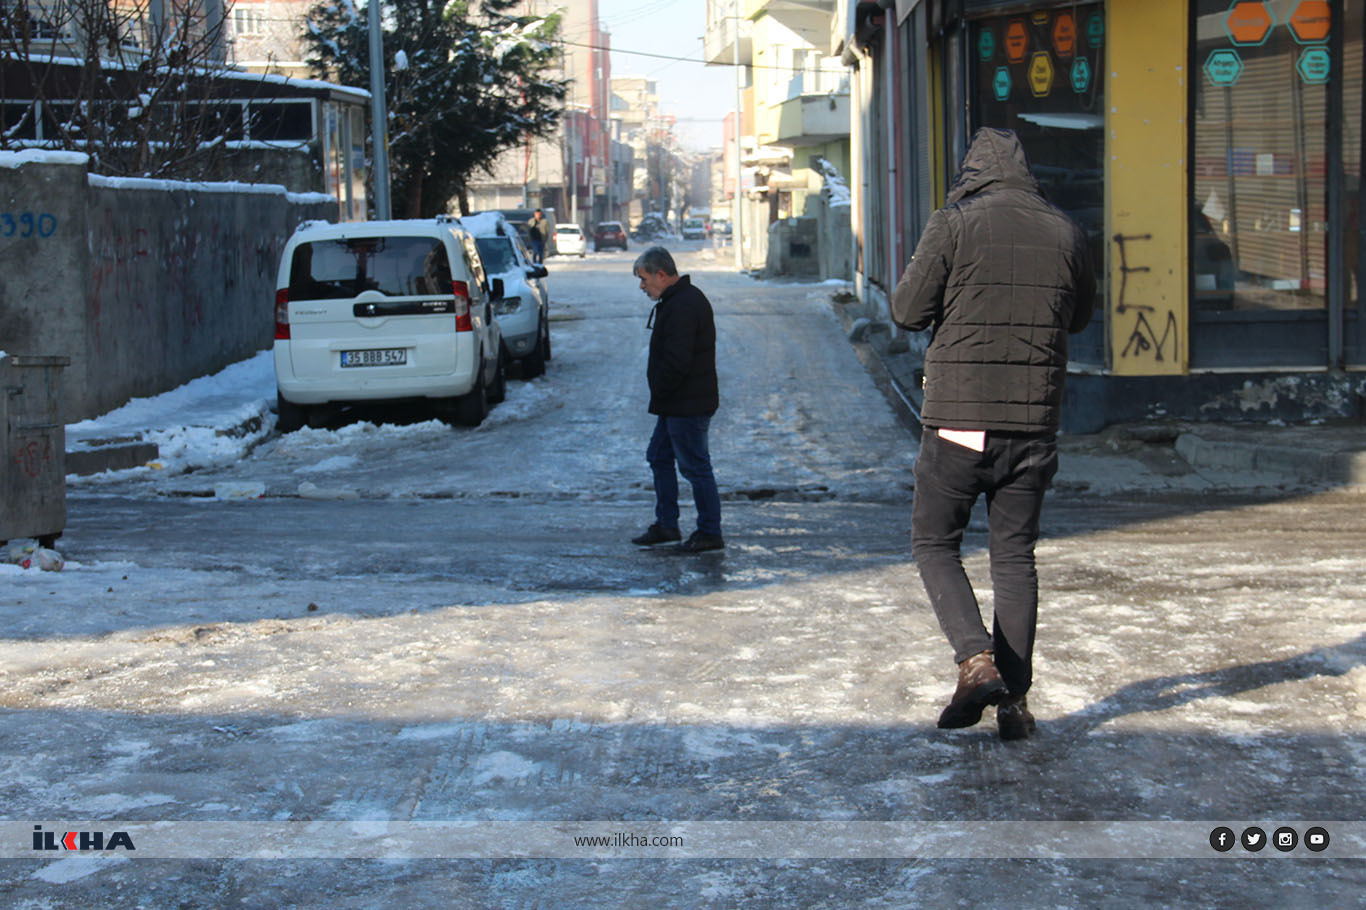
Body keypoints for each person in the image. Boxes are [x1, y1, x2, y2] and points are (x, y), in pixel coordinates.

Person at [891, 128, 1096, 741]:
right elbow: (1080, 316)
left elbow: (906, 310)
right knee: (1014, 556)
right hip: (1033, 425)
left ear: (971, 171)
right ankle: (1015, 704)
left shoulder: (954, 223)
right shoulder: (1065, 230)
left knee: (934, 544)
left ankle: (976, 662)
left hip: (959, 421)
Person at [629, 246, 724, 553]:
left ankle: (710, 532)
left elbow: (678, 361)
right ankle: (667, 525)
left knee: (696, 467)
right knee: (659, 457)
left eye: (644, 279)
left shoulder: (683, 305)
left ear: (661, 274)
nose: (642, 287)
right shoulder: (676, 301)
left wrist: (662, 389)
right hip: (677, 403)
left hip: (687, 404)